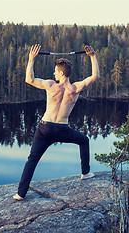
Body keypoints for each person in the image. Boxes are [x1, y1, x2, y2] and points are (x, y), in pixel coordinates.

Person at [13, 44, 100, 201]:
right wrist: (93, 57)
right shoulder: (75, 88)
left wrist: (31, 60)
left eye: (55, 71)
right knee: (84, 140)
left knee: (32, 159)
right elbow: (94, 77)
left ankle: (21, 193)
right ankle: (85, 173)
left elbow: (29, 79)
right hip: (62, 129)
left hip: (44, 128)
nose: (54, 73)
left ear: (61, 73)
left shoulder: (51, 86)